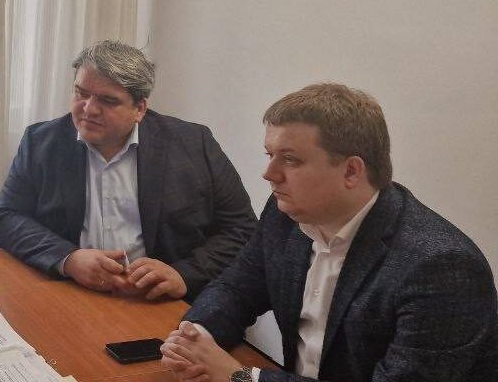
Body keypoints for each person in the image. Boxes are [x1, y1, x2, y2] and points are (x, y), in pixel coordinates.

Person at [162, 83, 498, 382]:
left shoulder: (441, 267)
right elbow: (237, 288)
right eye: (270, 155)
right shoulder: (285, 215)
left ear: (351, 171)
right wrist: (192, 336)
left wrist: (242, 377)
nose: (269, 173)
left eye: (290, 160)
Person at [0, 40, 257, 301]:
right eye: (81, 93)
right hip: (70, 291)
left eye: (108, 101)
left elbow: (242, 229)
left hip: (160, 301)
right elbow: (8, 217)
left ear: (139, 109)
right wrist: (68, 259)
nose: (89, 109)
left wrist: (184, 274)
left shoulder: (194, 145)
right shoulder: (41, 142)